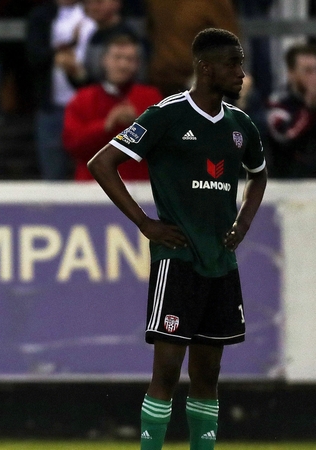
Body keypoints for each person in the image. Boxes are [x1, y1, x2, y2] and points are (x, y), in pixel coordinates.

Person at [87, 28, 266, 450]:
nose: (241, 74)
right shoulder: (167, 114)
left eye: (241, 64)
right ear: (206, 68)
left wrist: (243, 223)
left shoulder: (241, 125)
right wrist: (145, 223)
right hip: (178, 260)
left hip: (220, 263)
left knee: (208, 373)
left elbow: (258, 175)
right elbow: (102, 163)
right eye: (233, 64)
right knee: (167, 370)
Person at [62, 34, 161, 181]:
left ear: (138, 64)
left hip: (140, 186)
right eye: (117, 58)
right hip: (92, 186)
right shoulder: (83, 98)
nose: (123, 65)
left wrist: (138, 125)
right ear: (104, 60)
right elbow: (72, 144)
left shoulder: (150, 97)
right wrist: (106, 125)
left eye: (130, 59)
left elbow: (164, 146)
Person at [26, 0, 95, 180]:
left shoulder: (93, 12)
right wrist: (60, 52)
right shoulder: (41, 16)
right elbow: (33, 55)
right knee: (53, 177)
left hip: (88, 110)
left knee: (91, 174)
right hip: (52, 108)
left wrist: (77, 71)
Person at [144, 0, 239, 97]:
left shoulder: (215, 3)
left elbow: (230, 42)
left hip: (196, 82)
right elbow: (151, 29)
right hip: (159, 81)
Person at [266, 43, 316, 178]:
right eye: (308, 71)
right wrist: (309, 108)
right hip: (289, 179)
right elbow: (285, 138)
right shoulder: (278, 103)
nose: (314, 77)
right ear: (291, 73)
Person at [67, 0, 140, 87]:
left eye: (99, 2)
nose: (93, 7)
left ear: (116, 3)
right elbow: (91, 82)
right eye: (88, 2)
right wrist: (74, 71)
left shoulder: (128, 37)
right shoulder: (94, 36)